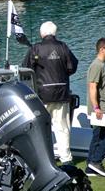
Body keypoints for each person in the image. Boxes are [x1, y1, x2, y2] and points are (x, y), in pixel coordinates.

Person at [22, 21, 78, 165]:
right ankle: (66, 159)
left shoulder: (35, 48)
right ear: (55, 33)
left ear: (42, 34)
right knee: (62, 127)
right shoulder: (63, 47)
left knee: (41, 127)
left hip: (41, 95)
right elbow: (72, 66)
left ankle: (44, 158)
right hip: (61, 93)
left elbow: (25, 70)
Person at [85, 38, 105, 178]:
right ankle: (96, 161)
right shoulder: (97, 65)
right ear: (102, 49)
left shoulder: (100, 65)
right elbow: (92, 87)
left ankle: (90, 167)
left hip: (101, 108)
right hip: (100, 110)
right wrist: (97, 108)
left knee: (97, 137)